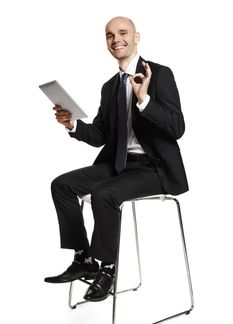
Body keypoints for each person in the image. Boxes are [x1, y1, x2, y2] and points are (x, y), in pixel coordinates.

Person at [44, 16, 188, 302]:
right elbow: (100, 135)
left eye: (123, 33)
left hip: (154, 168)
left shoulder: (159, 74)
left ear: (136, 37)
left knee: (104, 194)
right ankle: (84, 257)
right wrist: (72, 123)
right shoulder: (110, 86)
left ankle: (108, 268)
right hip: (120, 164)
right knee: (60, 185)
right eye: (109, 35)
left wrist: (145, 100)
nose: (116, 39)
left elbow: (177, 127)